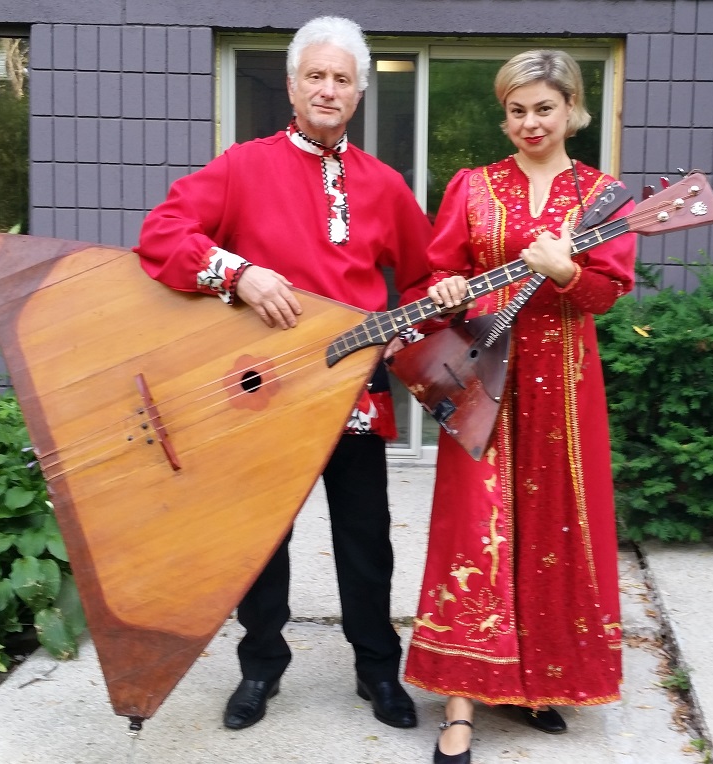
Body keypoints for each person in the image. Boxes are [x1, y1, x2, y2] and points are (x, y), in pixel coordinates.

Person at [134, 16, 433, 732]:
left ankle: (377, 672)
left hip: (352, 398)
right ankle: (261, 668)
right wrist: (238, 275)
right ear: (294, 86)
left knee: (366, 541)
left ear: (359, 93)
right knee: (260, 543)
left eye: (342, 79)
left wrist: (401, 334)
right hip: (260, 396)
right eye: (315, 76)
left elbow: (427, 279)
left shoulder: (386, 185)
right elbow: (162, 236)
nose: (328, 89)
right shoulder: (241, 167)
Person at [402, 49, 637, 764]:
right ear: (504, 115)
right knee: (472, 527)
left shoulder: (606, 194)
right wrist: (446, 287)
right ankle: (461, 702)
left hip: (565, 386)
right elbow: (442, 268)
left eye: (544, 107)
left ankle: (537, 683)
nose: (530, 122)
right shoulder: (473, 187)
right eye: (517, 109)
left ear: (572, 110)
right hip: (483, 379)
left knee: (555, 524)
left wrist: (566, 270)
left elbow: (607, 293)